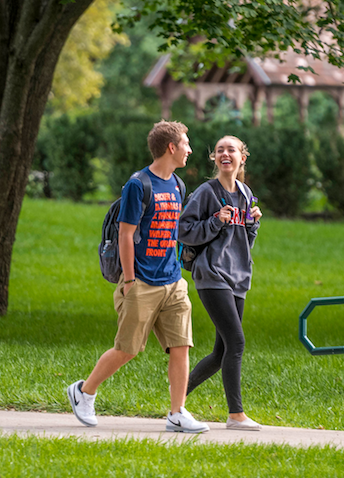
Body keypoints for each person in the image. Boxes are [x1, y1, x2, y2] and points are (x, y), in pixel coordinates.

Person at [67, 121, 209, 434]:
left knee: (181, 345)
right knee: (128, 348)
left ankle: (177, 412)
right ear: (171, 148)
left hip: (172, 281)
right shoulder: (138, 185)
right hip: (142, 281)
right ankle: (84, 392)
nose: (190, 149)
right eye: (186, 143)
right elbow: (126, 235)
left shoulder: (177, 184)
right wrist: (130, 281)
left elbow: (173, 232)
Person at [177, 135, 264, 431]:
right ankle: (235, 415)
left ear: (243, 157)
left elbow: (244, 240)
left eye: (231, 150)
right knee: (236, 342)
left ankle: (176, 402)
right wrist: (215, 221)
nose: (225, 154)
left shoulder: (245, 192)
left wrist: (253, 223)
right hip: (212, 275)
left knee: (221, 352)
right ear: (214, 158)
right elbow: (185, 231)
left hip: (239, 277)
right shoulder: (206, 192)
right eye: (219, 150)